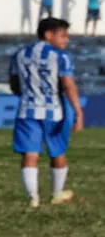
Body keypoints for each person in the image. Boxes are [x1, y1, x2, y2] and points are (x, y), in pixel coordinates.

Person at [10, 17, 82, 208]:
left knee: (30, 154)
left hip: (27, 110)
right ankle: (57, 194)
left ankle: (32, 198)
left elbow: (14, 84)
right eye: (63, 35)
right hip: (55, 111)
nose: (67, 40)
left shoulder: (19, 54)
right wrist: (78, 112)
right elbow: (68, 85)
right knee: (57, 152)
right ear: (48, 35)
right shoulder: (61, 56)